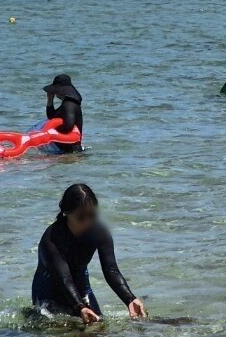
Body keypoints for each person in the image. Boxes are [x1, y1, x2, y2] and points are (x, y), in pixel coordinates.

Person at [32, 183, 146, 323]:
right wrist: (80, 307)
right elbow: (64, 278)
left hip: (81, 286)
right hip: (49, 291)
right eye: (81, 217)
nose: (87, 222)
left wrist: (130, 299)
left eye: (92, 215)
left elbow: (111, 270)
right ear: (66, 213)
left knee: (98, 327)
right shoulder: (51, 240)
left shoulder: (99, 232)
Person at [43, 75, 83, 153]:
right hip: (68, 150)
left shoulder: (69, 105)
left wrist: (51, 133)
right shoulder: (67, 103)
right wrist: (50, 100)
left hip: (71, 151)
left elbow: (68, 126)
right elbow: (51, 117)